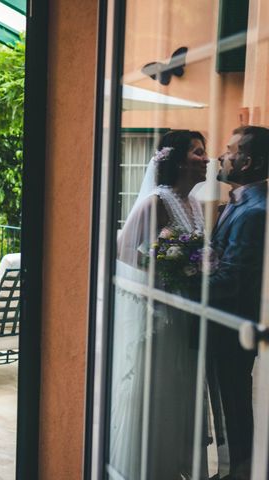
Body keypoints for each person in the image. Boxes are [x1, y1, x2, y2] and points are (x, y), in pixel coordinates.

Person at [110, 130, 209, 479]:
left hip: (184, 308)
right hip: (159, 311)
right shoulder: (156, 201)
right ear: (179, 160)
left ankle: (172, 464)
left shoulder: (194, 203)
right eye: (198, 153)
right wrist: (165, 271)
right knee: (155, 382)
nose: (206, 159)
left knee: (179, 385)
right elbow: (122, 249)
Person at [209, 125, 269, 480]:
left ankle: (241, 470)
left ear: (249, 162)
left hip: (231, 324)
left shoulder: (256, 211)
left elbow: (233, 278)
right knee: (227, 400)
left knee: (233, 401)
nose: (222, 155)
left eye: (230, 150)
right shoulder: (241, 202)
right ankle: (234, 467)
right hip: (224, 322)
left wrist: (183, 290)